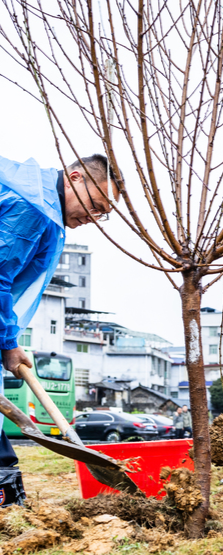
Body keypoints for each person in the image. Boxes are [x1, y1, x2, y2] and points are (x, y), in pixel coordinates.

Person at [0, 153, 121, 507]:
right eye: (94, 204)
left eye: (102, 213)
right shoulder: (32, 206)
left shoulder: (32, 192)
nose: (93, 217)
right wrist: (8, 343)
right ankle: (6, 499)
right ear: (74, 178)